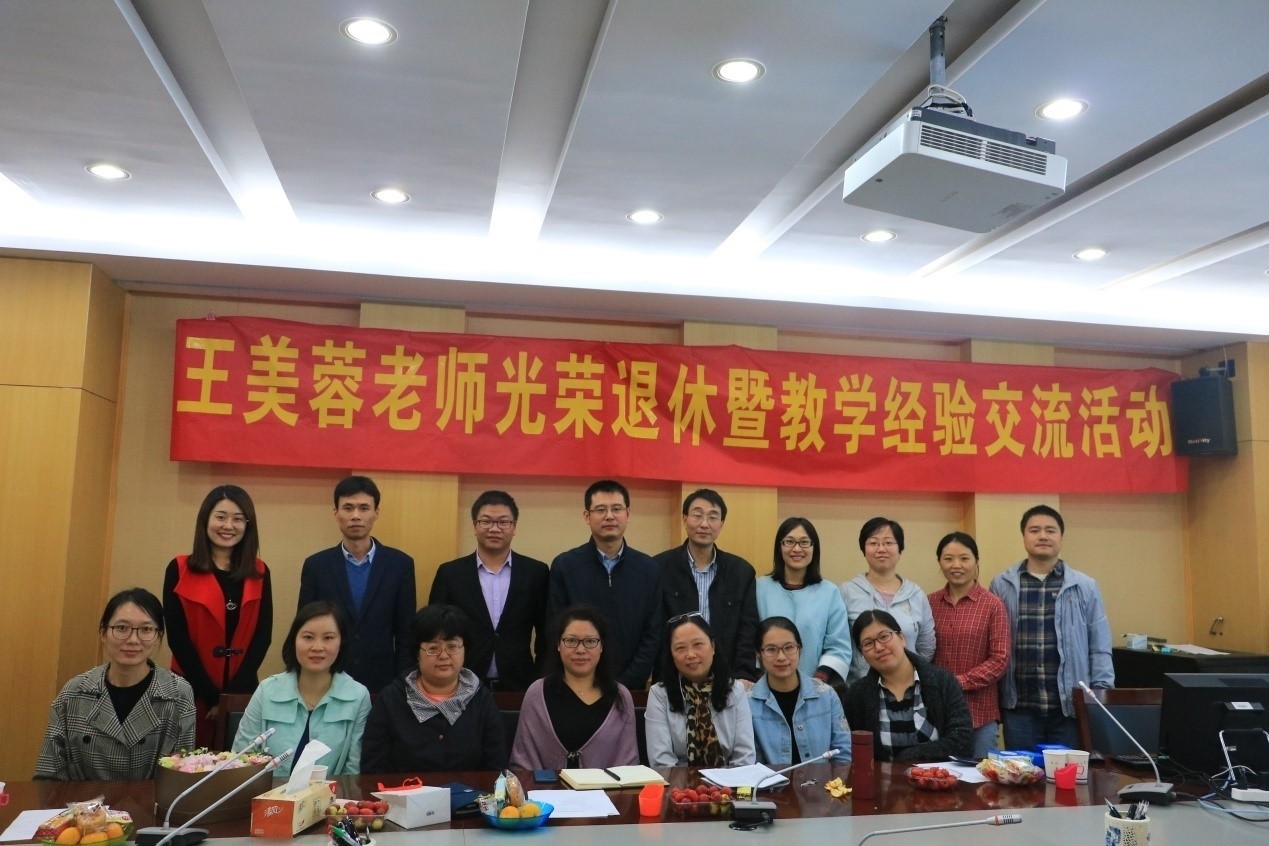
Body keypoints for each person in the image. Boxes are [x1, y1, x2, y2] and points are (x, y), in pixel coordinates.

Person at [36, 588, 195, 780]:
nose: (133, 640)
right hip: (80, 800)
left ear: (158, 637)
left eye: (146, 629)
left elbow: (181, 778)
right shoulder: (74, 692)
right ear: (103, 633)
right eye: (121, 628)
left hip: (151, 799)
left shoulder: (178, 694)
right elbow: (48, 775)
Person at [989, 505, 1114, 749]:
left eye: (1050, 530)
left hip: (1069, 709)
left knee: (1069, 773)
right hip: (1019, 708)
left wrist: (1101, 695)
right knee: (1021, 773)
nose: (1043, 536)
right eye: (1034, 530)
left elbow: (1099, 645)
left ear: (1061, 537)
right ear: (1024, 536)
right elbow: (993, 645)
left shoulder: (1085, 586)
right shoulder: (1002, 584)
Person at [163, 484, 272, 747]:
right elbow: (177, 637)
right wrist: (212, 696)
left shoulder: (259, 571)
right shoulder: (179, 568)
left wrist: (230, 697)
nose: (228, 526)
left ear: (247, 525)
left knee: (237, 761)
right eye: (220, 517)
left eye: (238, 519)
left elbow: (262, 636)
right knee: (187, 760)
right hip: (190, 687)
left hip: (242, 688)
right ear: (206, 519)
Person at [299, 476, 416, 694]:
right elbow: (304, 629)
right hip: (328, 678)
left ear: (376, 512)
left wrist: (402, 686)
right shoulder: (316, 566)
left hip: (383, 683)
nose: (355, 516)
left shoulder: (400, 565)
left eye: (364, 508)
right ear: (336, 512)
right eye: (348, 508)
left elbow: (406, 634)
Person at [361, 605, 506, 772]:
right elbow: (373, 770)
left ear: (464, 649)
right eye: (433, 648)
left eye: (452, 647)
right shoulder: (391, 700)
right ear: (417, 653)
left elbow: (497, 769)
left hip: (471, 790)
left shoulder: (481, 699)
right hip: (404, 790)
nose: (443, 656)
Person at [428, 490, 549, 691]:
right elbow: (435, 631)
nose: (494, 528)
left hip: (520, 683)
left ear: (514, 527)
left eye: (503, 522)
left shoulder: (536, 572)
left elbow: (546, 633)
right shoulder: (450, 573)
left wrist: (541, 678)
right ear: (475, 525)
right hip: (461, 683)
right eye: (486, 521)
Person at [232, 601, 371, 775]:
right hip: (267, 791)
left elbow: (353, 770)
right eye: (308, 637)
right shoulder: (267, 690)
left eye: (328, 638)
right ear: (294, 641)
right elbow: (241, 759)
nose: (317, 647)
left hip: (333, 792)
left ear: (341, 642)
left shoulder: (358, 696)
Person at [548, 480, 662, 690]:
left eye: (616, 509)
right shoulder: (565, 566)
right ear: (587, 516)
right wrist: (581, 680)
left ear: (628, 514)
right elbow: (556, 629)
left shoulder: (649, 569)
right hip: (576, 685)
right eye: (600, 510)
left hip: (632, 687)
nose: (609, 516)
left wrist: (628, 684)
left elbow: (653, 633)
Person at [510, 606, 639, 770]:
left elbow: (629, 765)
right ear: (558, 645)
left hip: (607, 787)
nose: (580, 650)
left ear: (601, 646)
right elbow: (523, 763)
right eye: (571, 641)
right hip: (545, 787)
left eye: (590, 641)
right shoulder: (537, 693)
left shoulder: (621, 697)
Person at [654, 489, 760, 685]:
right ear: (684, 519)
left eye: (712, 517)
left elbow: (747, 630)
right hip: (673, 678)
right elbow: (655, 629)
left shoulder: (741, 572)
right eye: (697, 515)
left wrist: (744, 675)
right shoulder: (659, 568)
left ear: (721, 524)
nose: (704, 524)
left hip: (727, 679)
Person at [843, 610, 972, 762]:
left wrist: (911, 756)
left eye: (884, 636)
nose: (879, 647)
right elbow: (854, 751)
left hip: (938, 775)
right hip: (881, 777)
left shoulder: (943, 681)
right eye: (868, 644)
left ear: (901, 638)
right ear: (862, 653)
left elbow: (962, 739)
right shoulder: (857, 695)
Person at [928, 532, 1010, 759]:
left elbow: (1000, 659)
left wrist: (960, 682)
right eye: (948, 559)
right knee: (937, 774)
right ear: (939, 562)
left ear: (976, 561)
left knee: (982, 778)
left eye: (964, 558)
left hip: (980, 713)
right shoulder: (929, 603)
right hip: (937, 713)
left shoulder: (992, 604)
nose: (956, 565)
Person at [645, 613, 755, 767]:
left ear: (713, 647)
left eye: (697, 644)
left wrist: (725, 783)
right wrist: (690, 783)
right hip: (677, 781)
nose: (690, 655)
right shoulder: (659, 695)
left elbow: (745, 758)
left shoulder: (735, 690)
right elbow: (661, 762)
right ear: (671, 654)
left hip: (729, 780)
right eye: (680, 648)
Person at [754, 518, 852, 687]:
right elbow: (748, 640)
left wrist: (817, 681)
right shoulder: (759, 588)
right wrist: (760, 682)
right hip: (765, 687)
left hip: (815, 688)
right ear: (779, 547)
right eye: (789, 542)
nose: (797, 549)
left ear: (814, 548)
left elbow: (839, 647)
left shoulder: (829, 592)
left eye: (804, 542)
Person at [840, 517, 936, 683]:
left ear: (900, 550)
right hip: (861, 686)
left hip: (910, 686)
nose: (881, 549)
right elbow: (841, 644)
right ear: (864, 549)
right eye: (873, 543)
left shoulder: (915, 594)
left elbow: (926, 646)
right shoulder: (847, 592)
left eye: (888, 543)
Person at [748, 617, 852, 767]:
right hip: (771, 782)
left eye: (789, 647)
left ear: (800, 650)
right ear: (759, 654)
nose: (781, 657)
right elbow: (752, 762)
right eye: (771, 649)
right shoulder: (748, 703)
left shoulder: (826, 695)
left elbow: (843, 754)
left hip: (824, 781)